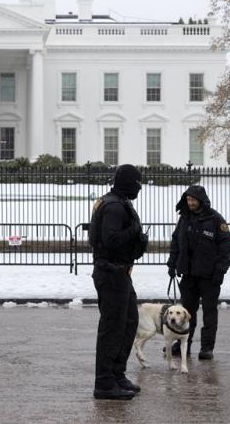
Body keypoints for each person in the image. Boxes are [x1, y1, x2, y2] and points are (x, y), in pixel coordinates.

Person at [89, 164, 149, 400]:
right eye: (137, 183)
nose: (139, 187)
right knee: (112, 328)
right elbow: (109, 239)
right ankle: (104, 383)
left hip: (120, 272)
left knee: (129, 322)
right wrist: (134, 231)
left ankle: (116, 374)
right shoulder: (114, 205)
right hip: (111, 271)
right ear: (129, 183)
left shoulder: (117, 201)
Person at [167, 185, 230, 360]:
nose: (190, 203)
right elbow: (176, 243)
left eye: (193, 200)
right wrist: (172, 264)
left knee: (209, 313)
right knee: (187, 312)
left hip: (209, 276)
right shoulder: (184, 219)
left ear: (201, 201)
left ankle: (207, 348)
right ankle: (183, 345)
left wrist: (220, 271)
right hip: (188, 275)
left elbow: (226, 250)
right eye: (188, 200)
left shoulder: (216, 220)